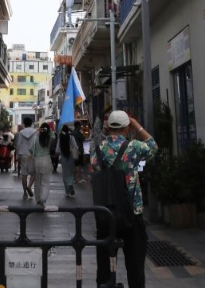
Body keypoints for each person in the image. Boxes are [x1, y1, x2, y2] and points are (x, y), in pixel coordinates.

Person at [91, 110, 157, 288]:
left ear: (108, 127)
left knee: (104, 267)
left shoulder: (98, 149)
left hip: (105, 213)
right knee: (135, 266)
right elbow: (153, 146)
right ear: (127, 127)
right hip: (131, 213)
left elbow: (94, 168)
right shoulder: (134, 147)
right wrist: (137, 125)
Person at [14, 115, 37, 200]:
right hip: (32, 154)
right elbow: (36, 144)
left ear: (24, 123)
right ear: (31, 123)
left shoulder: (21, 133)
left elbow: (18, 144)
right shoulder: (35, 132)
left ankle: (24, 193)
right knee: (34, 173)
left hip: (23, 155)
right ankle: (29, 186)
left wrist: (17, 155)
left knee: (24, 175)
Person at [33, 121, 54, 206]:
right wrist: (50, 131)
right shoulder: (49, 138)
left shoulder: (36, 137)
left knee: (37, 181)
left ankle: (38, 199)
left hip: (37, 160)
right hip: (46, 160)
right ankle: (43, 198)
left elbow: (31, 149)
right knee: (45, 181)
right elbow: (54, 136)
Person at [58, 124, 79, 196]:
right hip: (70, 156)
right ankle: (70, 184)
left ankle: (67, 191)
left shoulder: (60, 137)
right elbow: (76, 146)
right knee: (70, 172)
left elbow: (57, 149)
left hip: (63, 156)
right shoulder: (71, 137)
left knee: (65, 173)